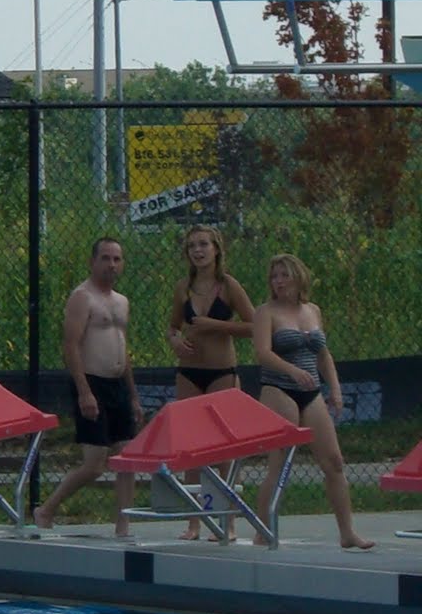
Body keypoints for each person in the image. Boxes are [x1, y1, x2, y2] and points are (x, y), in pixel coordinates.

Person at [252, 254, 373, 550]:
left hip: (311, 390)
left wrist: (335, 388)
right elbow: (263, 353)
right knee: (279, 463)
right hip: (279, 387)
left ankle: (347, 532)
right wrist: (293, 371)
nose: (278, 282)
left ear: (298, 278)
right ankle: (261, 529)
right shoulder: (266, 312)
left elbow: (322, 354)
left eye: (284, 275)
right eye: (274, 277)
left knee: (333, 461)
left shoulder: (312, 311)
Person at [33, 237, 145, 539]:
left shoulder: (122, 301)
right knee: (95, 465)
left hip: (118, 384)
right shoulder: (82, 297)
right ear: (93, 262)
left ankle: (123, 525)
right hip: (92, 383)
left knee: (126, 459)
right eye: (106, 258)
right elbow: (71, 345)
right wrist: (84, 391)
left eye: (117, 259)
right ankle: (47, 509)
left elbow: (124, 349)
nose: (112, 265)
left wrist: (133, 395)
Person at [164, 225, 255, 539]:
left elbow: (254, 325)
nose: (198, 251)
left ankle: (227, 519)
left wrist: (216, 324)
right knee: (192, 446)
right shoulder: (183, 287)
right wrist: (175, 341)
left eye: (203, 244)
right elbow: (173, 326)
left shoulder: (228, 286)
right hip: (189, 371)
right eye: (192, 246)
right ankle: (194, 520)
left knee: (224, 448)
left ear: (216, 248)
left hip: (221, 371)